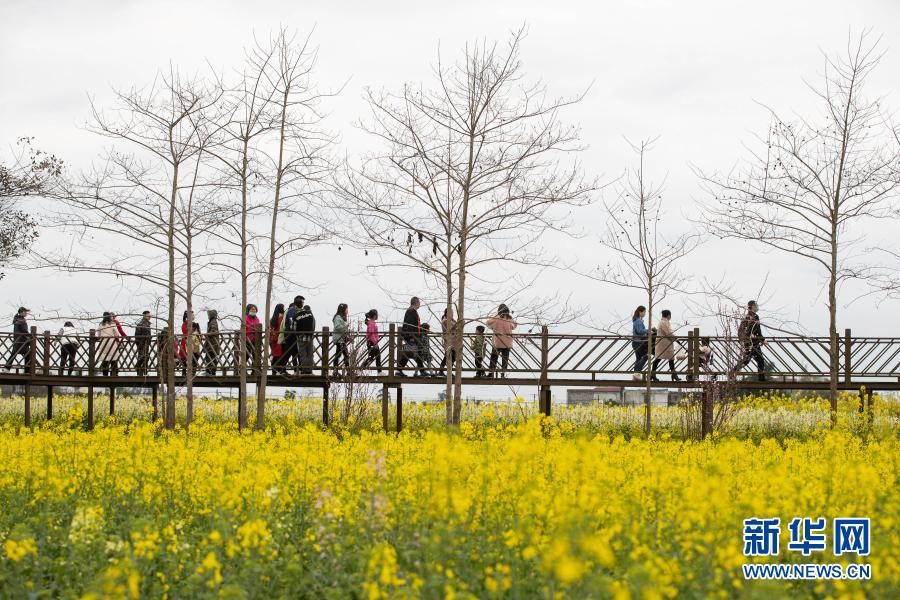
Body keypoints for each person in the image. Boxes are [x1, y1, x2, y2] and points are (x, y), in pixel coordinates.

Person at [398, 296, 429, 377]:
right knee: (414, 353)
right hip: (411, 336)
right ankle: (422, 371)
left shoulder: (411, 311)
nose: (420, 304)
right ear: (415, 303)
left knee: (410, 353)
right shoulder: (411, 311)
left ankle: (399, 370)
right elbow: (410, 325)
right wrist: (411, 337)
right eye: (419, 303)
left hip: (413, 336)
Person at [738, 300, 766, 382]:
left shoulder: (748, 316)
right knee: (748, 360)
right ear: (753, 306)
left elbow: (744, 330)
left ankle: (761, 378)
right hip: (752, 343)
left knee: (758, 360)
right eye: (756, 305)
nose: (757, 306)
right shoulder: (753, 317)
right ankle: (732, 372)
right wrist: (762, 340)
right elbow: (756, 330)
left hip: (751, 342)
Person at [486, 304, 517, 378]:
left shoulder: (496, 318)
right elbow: (515, 325)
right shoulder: (510, 319)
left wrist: (495, 317)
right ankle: (503, 374)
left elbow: (487, 323)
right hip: (507, 342)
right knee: (505, 358)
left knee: (494, 357)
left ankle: (491, 373)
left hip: (497, 341)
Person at [652, 309, 680, 382]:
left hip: (665, 343)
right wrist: (674, 337)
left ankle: (653, 374)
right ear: (668, 315)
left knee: (668, 358)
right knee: (661, 358)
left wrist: (673, 337)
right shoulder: (664, 322)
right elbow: (668, 333)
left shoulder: (663, 322)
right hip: (664, 344)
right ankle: (653, 374)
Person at [278, 296, 304, 374]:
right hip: (291, 335)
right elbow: (291, 322)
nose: (302, 304)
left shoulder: (296, 310)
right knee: (288, 352)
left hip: (294, 335)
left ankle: (299, 369)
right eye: (301, 302)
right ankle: (281, 369)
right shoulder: (292, 310)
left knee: (296, 353)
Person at [4, 307, 32, 372]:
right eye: (25, 312)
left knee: (15, 353)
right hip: (22, 340)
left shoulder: (18, 319)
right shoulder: (21, 320)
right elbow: (24, 331)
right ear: (22, 312)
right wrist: (30, 337)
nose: (26, 313)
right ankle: (27, 371)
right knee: (27, 354)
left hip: (19, 339)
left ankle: (7, 368)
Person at [295, 304, 316, 374]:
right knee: (310, 354)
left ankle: (304, 370)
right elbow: (313, 326)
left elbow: (294, 327)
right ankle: (309, 370)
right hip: (310, 337)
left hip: (301, 338)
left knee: (303, 354)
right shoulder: (311, 315)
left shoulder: (298, 315)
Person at [438, 308, 457, 377]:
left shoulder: (452, 320)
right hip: (448, 340)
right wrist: (457, 325)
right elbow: (450, 329)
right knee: (448, 356)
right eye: (451, 312)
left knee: (452, 356)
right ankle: (442, 371)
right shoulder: (445, 321)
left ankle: (445, 371)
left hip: (454, 341)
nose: (453, 314)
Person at [362, 309, 382, 373]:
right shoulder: (371, 323)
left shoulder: (372, 322)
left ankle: (379, 372)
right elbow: (371, 333)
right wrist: (375, 342)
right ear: (374, 316)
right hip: (371, 342)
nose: (378, 316)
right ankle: (361, 369)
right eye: (377, 314)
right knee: (371, 357)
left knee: (377, 356)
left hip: (373, 342)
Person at [332, 303, 350, 368]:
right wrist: (345, 326)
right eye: (346, 309)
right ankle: (347, 370)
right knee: (344, 355)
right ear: (343, 309)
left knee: (339, 354)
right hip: (339, 339)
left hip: (342, 339)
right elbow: (337, 327)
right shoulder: (338, 317)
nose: (347, 310)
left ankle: (336, 369)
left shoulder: (341, 317)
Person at [632, 306, 649, 376]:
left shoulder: (637, 320)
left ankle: (636, 373)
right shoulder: (638, 321)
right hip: (638, 342)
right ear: (640, 312)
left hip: (635, 342)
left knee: (638, 358)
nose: (645, 314)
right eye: (644, 312)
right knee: (645, 356)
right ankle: (637, 371)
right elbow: (639, 331)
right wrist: (648, 331)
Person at [135, 311, 152, 376]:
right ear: (144, 316)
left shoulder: (147, 324)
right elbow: (137, 335)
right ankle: (140, 371)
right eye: (148, 315)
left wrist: (149, 340)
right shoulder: (141, 324)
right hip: (142, 344)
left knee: (146, 357)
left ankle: (144, 371)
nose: (150, 316)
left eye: (150, 315)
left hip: (146, 343)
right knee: (142, 357)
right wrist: (140, 343)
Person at [269, 303, 285, 374]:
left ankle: (274, 371)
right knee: (280, 355)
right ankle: (280, 370)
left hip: (273, 339)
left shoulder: (272, 319)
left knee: (275, 355)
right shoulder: (281, 318)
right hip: (280, 338)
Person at [204, 309, 220, 376]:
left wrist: (207, 334)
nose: (208, 316)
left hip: (212, 344)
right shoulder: (212, 322)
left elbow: (214, 331)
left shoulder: (213, 322)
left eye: (208, 315)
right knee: (212, 357)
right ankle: (212, 371)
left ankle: (209, 371)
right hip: (212, 344)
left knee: (209, 357)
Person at [245, 304, 261, 369]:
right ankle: (241, 370)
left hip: (256, 340)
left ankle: (254, 370)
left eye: (254, 309)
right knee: (246, 355)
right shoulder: (245, 318)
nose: (253, 310)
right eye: (252, 309)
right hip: (247, 340)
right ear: (248, 310)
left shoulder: (257, 319)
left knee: (255, 355)